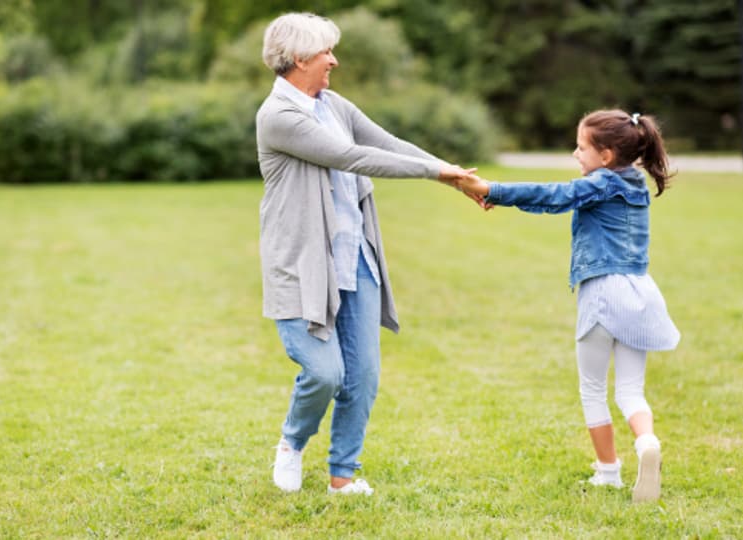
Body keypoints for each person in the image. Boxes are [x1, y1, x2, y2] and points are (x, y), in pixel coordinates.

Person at [256, 12, 481, 496]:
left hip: (354, 254)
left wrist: (452, 171)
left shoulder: (332, 104)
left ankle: (342, 475)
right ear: (299, 59)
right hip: (302, 262)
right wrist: (435, 176)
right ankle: (292, 443)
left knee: (362, 375)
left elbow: (384, 142)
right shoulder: (279, 116)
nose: (334, 60)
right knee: (324, 372)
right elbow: (351, 156)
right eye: (325, 53)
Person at [455, 110, 680, 503]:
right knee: (630, 390)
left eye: (581, 147)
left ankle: (609, 473)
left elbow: (553, 196)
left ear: (607, 155)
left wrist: (491, 189)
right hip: (641, 294)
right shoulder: (636, 183)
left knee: (592, 388)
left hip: (603, 294)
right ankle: (646, 443)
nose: (576, 154)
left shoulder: (601, 182)